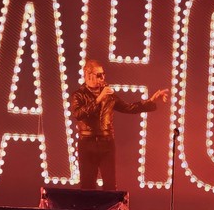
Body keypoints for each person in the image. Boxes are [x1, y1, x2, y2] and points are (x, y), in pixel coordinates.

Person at [71, 59, 168, 190]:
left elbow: (128, 108)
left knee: (110, 184)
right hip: (87, 143)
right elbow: (79, 114)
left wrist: (151, 101)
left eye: (103, 74)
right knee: (88, 185)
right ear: (88, 75)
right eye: (99, 75)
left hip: (107, 142)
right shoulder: (79, 95)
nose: (102, 78)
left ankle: (111, 209)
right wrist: (99, 98)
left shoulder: (109, 95)